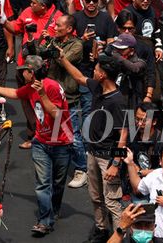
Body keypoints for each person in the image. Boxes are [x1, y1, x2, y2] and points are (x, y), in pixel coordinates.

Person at [0, 55, 75, 236]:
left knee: (57, 182)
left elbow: (57, 115)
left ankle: (53, 209)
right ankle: (44, 221)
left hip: (62, 142)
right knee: (43, 184)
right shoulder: (31, 86)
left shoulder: (51, 86)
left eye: (24, 70)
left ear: (31, 73)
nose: (21, 73)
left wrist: (42, 95)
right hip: (41, 142)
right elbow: (15, 94)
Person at [55, 50, 127, 242]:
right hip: (93, 153)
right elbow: (78, 77)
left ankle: (118, 236)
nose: (93, 71)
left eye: (96, 69)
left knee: (112, 201)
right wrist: (63, 59)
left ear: (103, 74)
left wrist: (115, 164)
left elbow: (123, 135)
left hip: (107, 158)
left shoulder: (118, 101)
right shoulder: (97, 87)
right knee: (96, 197)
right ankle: (102, 229)